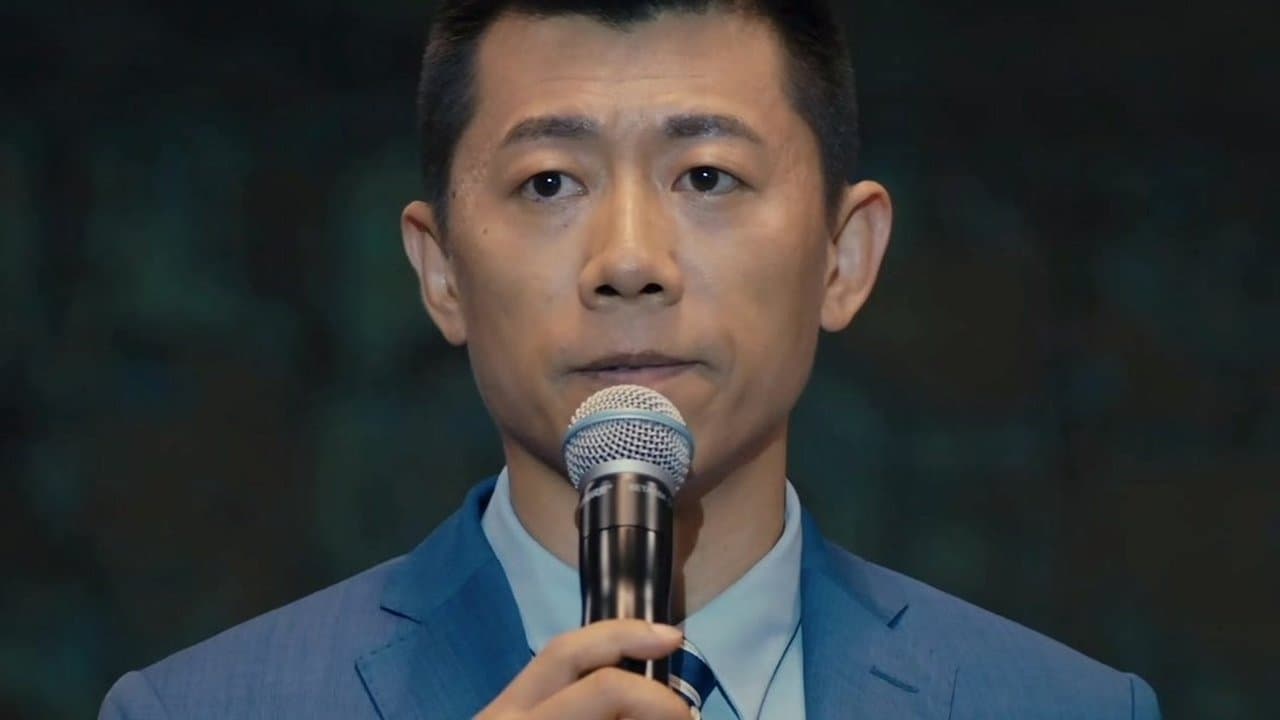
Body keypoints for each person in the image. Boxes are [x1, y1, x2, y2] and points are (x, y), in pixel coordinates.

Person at [100, 1, 1162, 718]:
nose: (628, 262)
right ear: (440, 271)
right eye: (548, 183)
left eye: (705, 176)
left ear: (844, 257)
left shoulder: (1058, 706)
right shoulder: (202, 709)